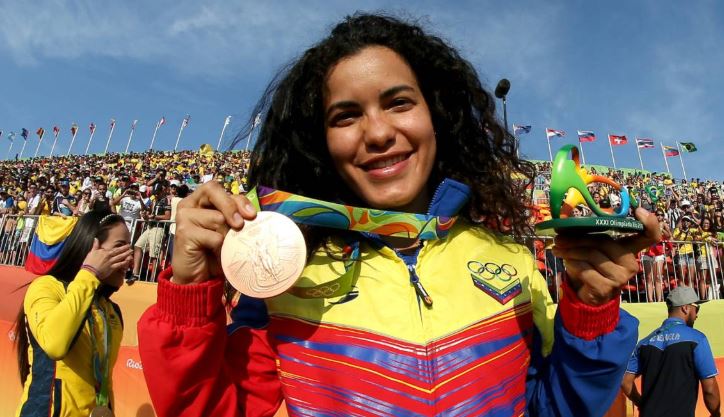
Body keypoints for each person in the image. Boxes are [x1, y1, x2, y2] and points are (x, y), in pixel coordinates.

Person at [137, 14, 659, 417]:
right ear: (321, 142)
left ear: (436, 115)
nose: (379, 132)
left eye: (398, 102)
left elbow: (558, 408)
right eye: (346, 115)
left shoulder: (510, 259)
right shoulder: (285, 274)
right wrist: (189, 299)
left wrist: (591, 308)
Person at [14, 211, 133, 417]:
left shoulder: (112, 310)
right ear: (91, 248)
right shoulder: (47, 287)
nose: (129, 257)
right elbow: (55, 344)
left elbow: (102, 378)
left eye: (130, 247)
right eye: (119, 247)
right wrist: (89, 273)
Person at [621, 286, 720, 417]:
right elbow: (710, 389)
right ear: (685, 308)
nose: (697, 314)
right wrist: (715, 413)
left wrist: (642, 403)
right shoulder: (697, 339)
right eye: (697, 308)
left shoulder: (644, 342)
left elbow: (625, 381)